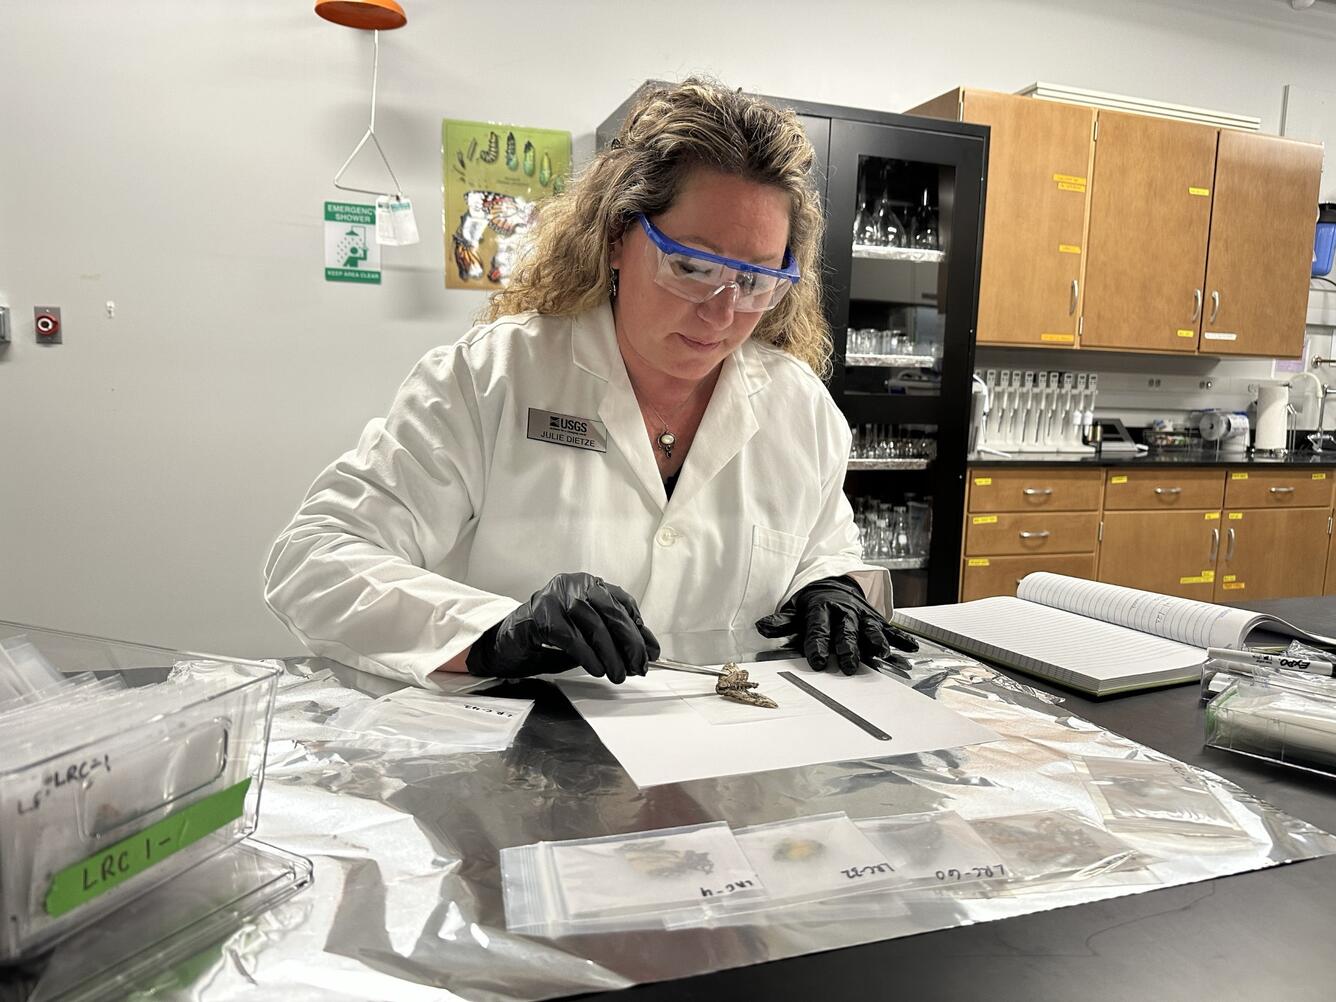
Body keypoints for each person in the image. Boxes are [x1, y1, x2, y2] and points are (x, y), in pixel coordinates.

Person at [263, 78, 918, 691]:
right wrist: (495, 632)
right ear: (614, 238)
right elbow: (316, 561)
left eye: (754, 280)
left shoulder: (797, 407)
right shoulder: (491, 377)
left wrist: (831, 588)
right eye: (689, 265)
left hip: (730, 763)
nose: (722, 314)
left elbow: (823, 551)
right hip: (526, 770)